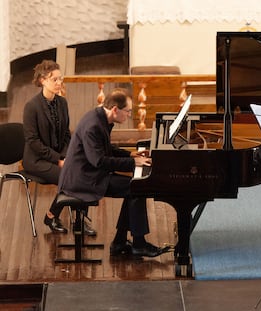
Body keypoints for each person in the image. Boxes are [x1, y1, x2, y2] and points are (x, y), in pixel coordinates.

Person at [58, 88, 165, 258]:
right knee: (136, 188)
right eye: (128, 111)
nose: (129, 115)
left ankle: (120, 243)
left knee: (133, 188)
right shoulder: (93, 126)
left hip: (89, 173)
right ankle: (138, 244)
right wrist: (133, 162)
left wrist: (130, 154)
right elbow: (99, 161)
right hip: (83, 179)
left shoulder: (100, 118)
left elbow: (106, 149)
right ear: (115, 109)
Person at [23, 60, 96, 235]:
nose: (58, 83)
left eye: (60, 79)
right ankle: (53, 216)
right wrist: (59, 160)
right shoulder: (31, 107)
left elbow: (66, 135)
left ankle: (74, 219)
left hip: (58, 156)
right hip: (36, 160)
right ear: (42, 80)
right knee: (71, 177)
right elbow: (33, 141)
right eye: (54, 79)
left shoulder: (62, 103)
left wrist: (68, 157)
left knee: (82, 171)